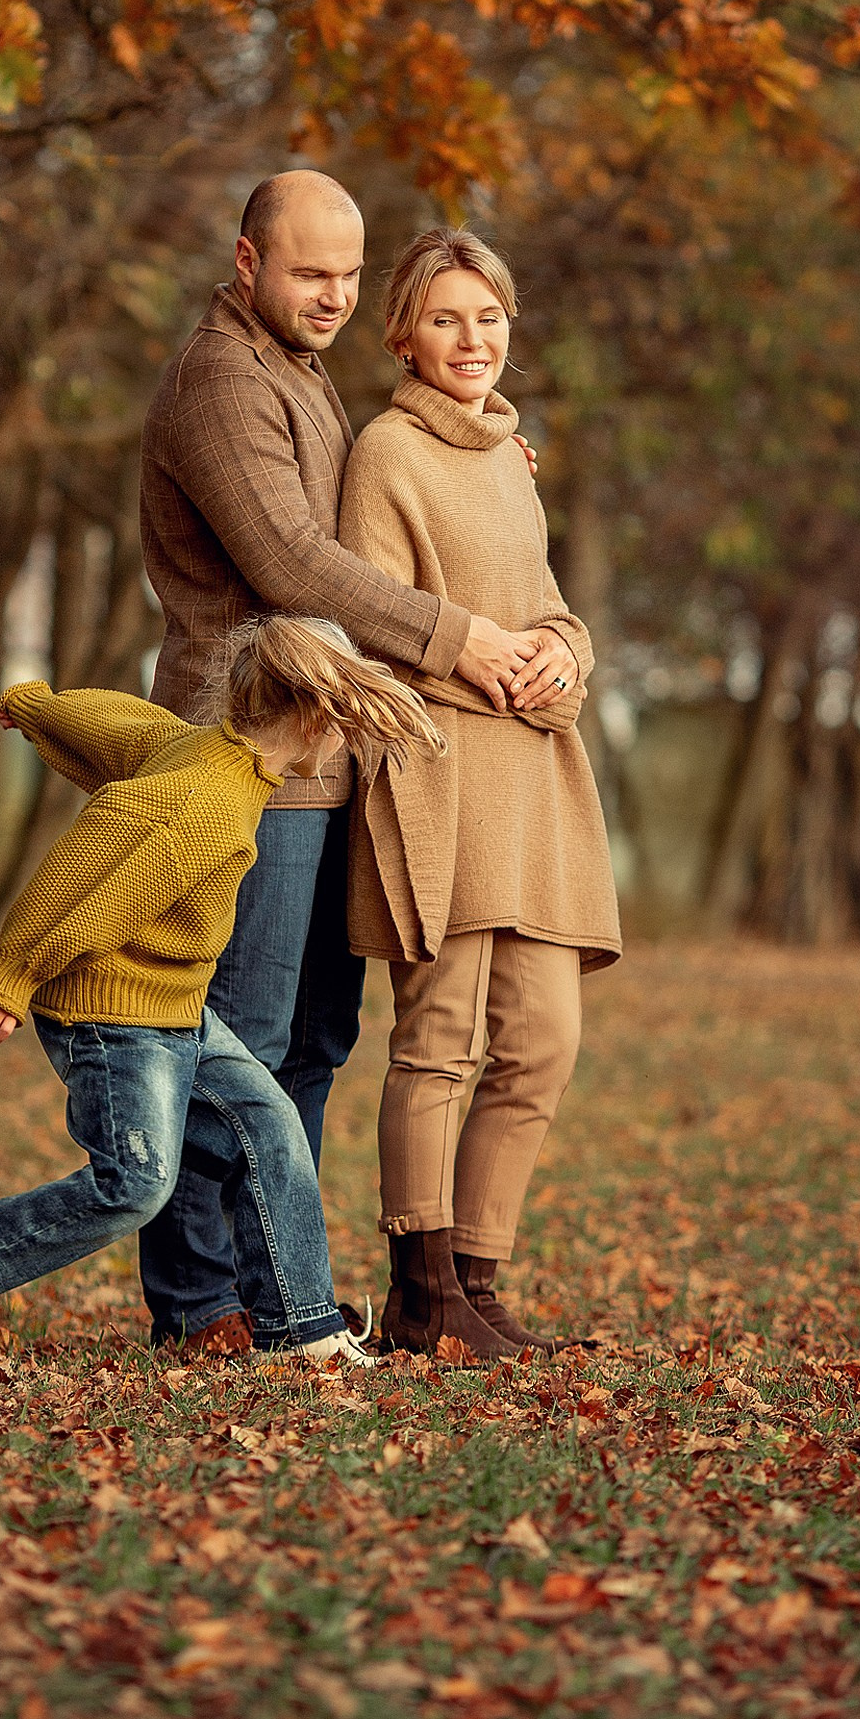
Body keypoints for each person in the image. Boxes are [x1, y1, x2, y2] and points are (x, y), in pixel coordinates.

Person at [134, 171, 549, 1356]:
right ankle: (197, 1300)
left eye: (348, 277)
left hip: (330, 758)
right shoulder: (220, 381)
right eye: (309, 272)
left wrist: (485, 462)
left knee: (313, 1041)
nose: (331, 296)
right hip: (248, 760)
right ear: (247, 260)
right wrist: (460, 638)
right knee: (238, 1042)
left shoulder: (301, 376)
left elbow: (383, 493)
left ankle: (280, 1291)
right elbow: (291, 561)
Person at [0, 615, 445, 1374]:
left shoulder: (203, 749)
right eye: (344, 727)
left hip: (176, 1008)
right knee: (134, 1185)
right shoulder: (210, 806)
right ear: (316, 716)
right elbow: (95, 884)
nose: (340, 750)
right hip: (113, 1015)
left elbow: (120, 726)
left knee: (271, 1125)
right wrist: (16, 974)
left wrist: (38, 708)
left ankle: (300, 1328)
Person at [338, 226, 622, 1361]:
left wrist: (567, 650)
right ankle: (419, 1292)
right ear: (403, 333)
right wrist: (472, 658)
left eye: (489, 316)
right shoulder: (386, 454)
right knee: (440, 1038)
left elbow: (544, 598)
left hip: (535, 772)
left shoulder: (512, 455)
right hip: (440, 768)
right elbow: (366, 616)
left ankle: (479, 1281)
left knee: (543, 1039)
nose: (472, 338)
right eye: (447, 318)